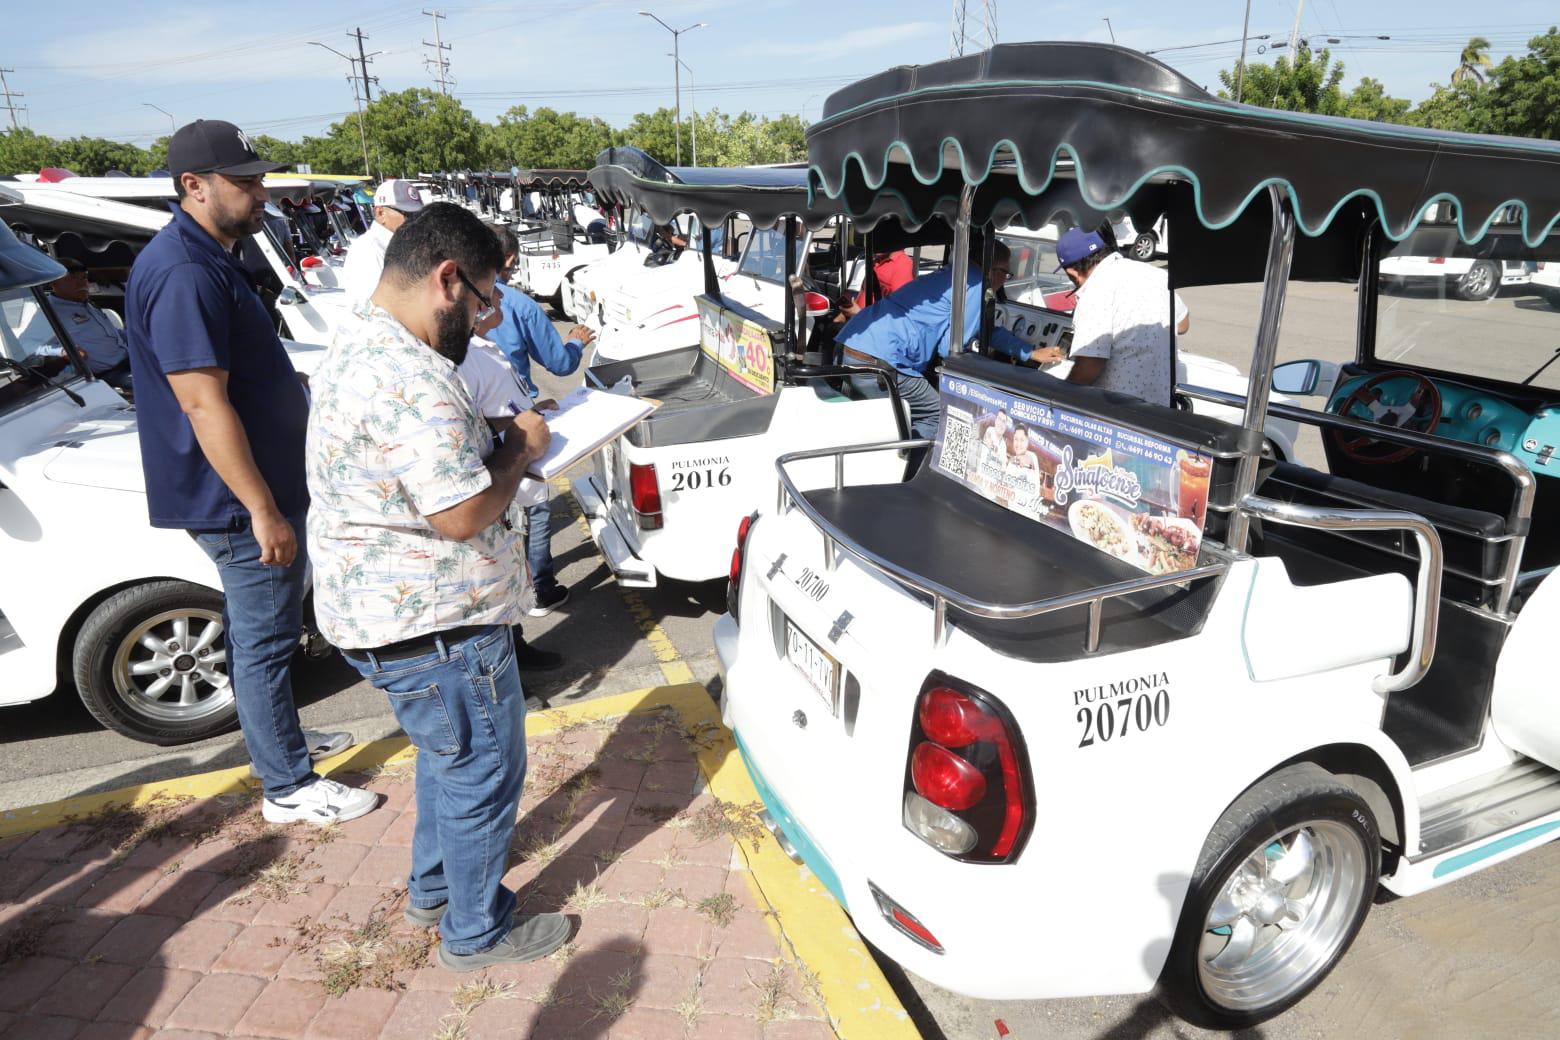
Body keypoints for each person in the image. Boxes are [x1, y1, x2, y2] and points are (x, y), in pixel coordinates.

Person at [305, 201, 571, 970]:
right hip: (437, 623)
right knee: (484, 770)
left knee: (448, 759)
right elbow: (460, 513)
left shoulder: (366, 339)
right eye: (485, 298)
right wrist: (519, 447)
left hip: (395, 614)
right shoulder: (408, 374)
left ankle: (433, 890)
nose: (488, 318)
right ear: (448, 280)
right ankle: (475, 931)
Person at [123, 119, 370, 826]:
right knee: (264, 640)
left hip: (251, 488)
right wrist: (261, 507)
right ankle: (288, 785)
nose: (260, 193)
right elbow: (202, 402)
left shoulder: (210, 255)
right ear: (192, 186)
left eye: (259, 179)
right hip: (235, 500)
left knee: (257, 633)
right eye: (245, 182)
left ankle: (278, 744)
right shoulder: (183, 272)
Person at [836, 241, 1053, 439]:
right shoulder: (975, 283)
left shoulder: (955, 275)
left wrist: (1028, 352)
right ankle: (912, 472)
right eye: (1006, 273)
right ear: (993, 270)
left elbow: (984, 330)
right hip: (880, 361)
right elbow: (951, 348)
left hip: (850, 346)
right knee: (937, 413)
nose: (1004, 279)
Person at [487, 223, 595, 618]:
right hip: (518, 424)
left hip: (482, 430)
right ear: (510, 261)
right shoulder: (514, 305)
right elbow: (560, 363)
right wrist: (577, 340)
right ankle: (540, 587)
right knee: (535, 508)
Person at [1054, 228, 1190, 406]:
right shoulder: (1155, 274)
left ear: (1072, 273)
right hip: (1162, 407)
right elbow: (1182, 324)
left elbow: (1090, 365)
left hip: (1119, 414)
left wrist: (1060, 398)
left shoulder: (1095, 291)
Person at [23, 257, 133, 389]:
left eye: (84, 278)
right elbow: (26, 345)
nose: (81, 284)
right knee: (157, 384)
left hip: (130, 360)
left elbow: (112, 335)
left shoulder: (87, 304)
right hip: (109, 375)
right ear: (54, 283)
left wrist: (138, 336)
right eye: (73, 278)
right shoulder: (49, 312)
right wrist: (62, 352)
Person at [341, 179, 425, 306]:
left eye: (418, 215)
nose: (415, 222)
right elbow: (375, 310)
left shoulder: (402, 244)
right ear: (380, 213)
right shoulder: (367, 251)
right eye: (408, 214)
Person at [837, 248, 914, 320]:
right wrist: (844, 314)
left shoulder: (902, 265)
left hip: (870, 327)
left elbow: (899, 314)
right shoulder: (877, 259)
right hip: (857, 319)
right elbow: (864, 291)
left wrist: (858, 314)